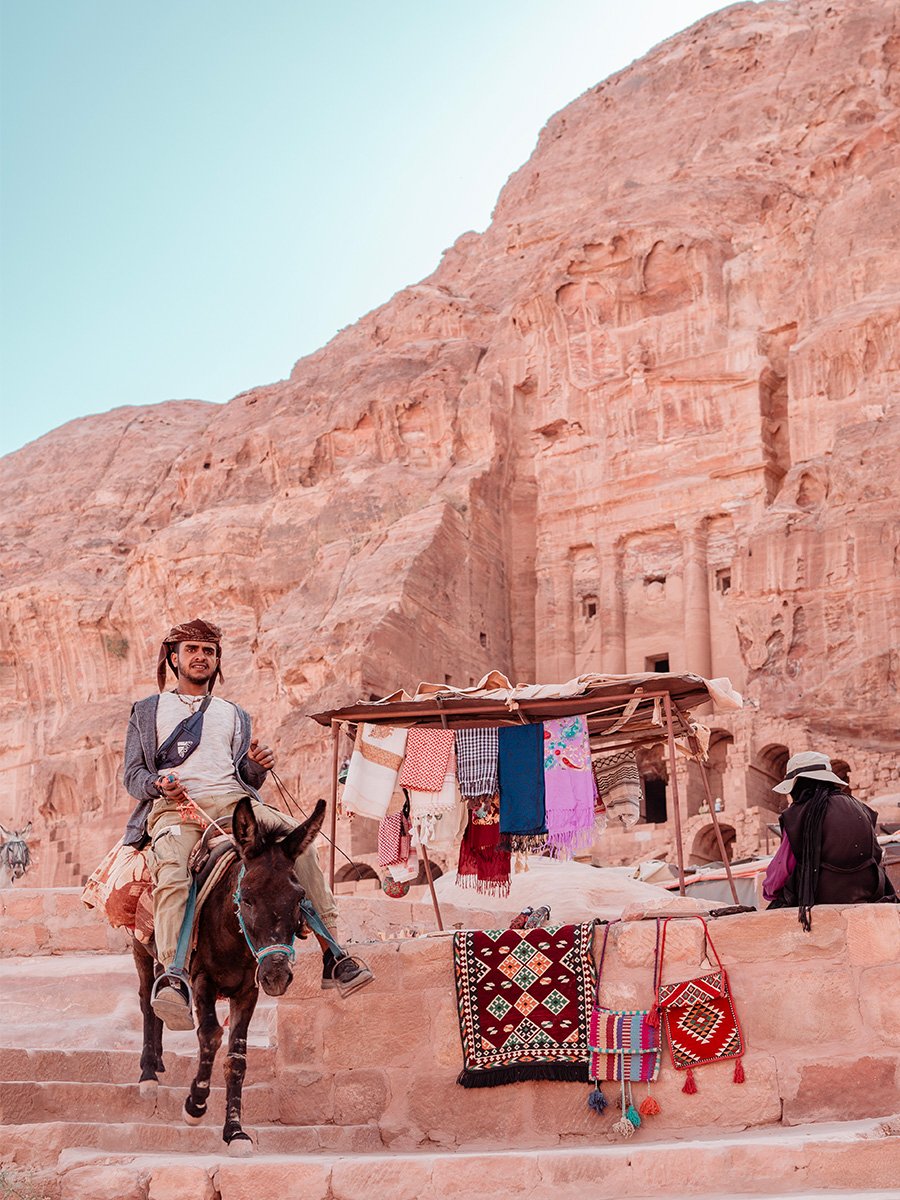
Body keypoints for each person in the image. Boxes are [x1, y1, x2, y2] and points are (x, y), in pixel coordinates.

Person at [122, 617, 372, 1030]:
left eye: (208, 651)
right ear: (173, 657)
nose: (200, 657)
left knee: (301, 843)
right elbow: (132, 775)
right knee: (172, 874)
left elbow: (241, 775)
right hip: (177, 807)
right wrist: (156, 783)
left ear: (217, 660)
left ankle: (334, 953)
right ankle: (174, 974)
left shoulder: (235, 715)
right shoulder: (147, 711)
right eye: (192, 650)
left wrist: (254, 768)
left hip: (236, 803)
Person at [764, 750, 895, 929]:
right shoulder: (862, 808)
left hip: (819, 899)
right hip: (868, 894)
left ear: (798, 784)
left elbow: (780, 872)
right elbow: (876, 855)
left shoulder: (798, 815)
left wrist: (770, 892)